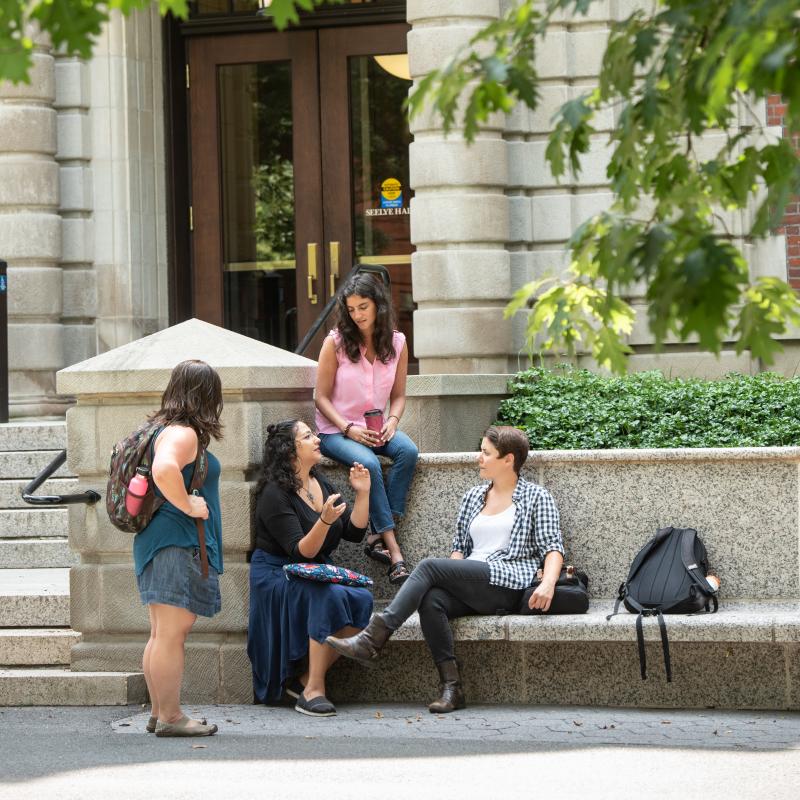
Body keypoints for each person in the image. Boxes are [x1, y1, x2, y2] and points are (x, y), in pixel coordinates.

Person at [326, 425, 565, 713]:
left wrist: (548, 583)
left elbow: (553, 547)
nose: (479, 457)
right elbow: (459, 551)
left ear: (508, 460)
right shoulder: (474, 497)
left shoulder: (537, 497)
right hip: (474, 579)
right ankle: (452, 687)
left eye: (486, 453)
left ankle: (373, 637)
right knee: (431, 599)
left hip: (508, 580)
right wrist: (451, 577)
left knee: (428, 567)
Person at [248, 419, 373, 717]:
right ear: (290, 450)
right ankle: (314, 689)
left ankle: (303, 678)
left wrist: (363, 493)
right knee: (325, 596)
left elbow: (354, 534)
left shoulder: (320, 483)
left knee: (363, 600)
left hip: (314, 571)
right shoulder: (274, 494)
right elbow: (300, 550)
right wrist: (325, 520)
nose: (317, 439)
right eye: (308, 436)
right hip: (277, 573)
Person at [135, 359, 224, 737]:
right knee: (171, 634)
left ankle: (160, 712)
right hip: (175, 540)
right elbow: (164, 469)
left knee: (161, 632)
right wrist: (188, 505)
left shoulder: (162, 429)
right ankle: (171, 717)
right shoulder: (183, 434)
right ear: (207, 397)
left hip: (160, 540)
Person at [314, 270, 418, 585]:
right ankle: (394, 550)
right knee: (370, 463)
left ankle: (378, 533)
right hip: (335, 432)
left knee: (408, 452)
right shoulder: (335, 343)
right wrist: (347, 428)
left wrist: (392, 421)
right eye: (351, 308)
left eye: (363, 307)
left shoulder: (397, 342)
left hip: (376, 429)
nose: (357, 314)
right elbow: (320, 398)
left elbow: (399, 396)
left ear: (378, 306)